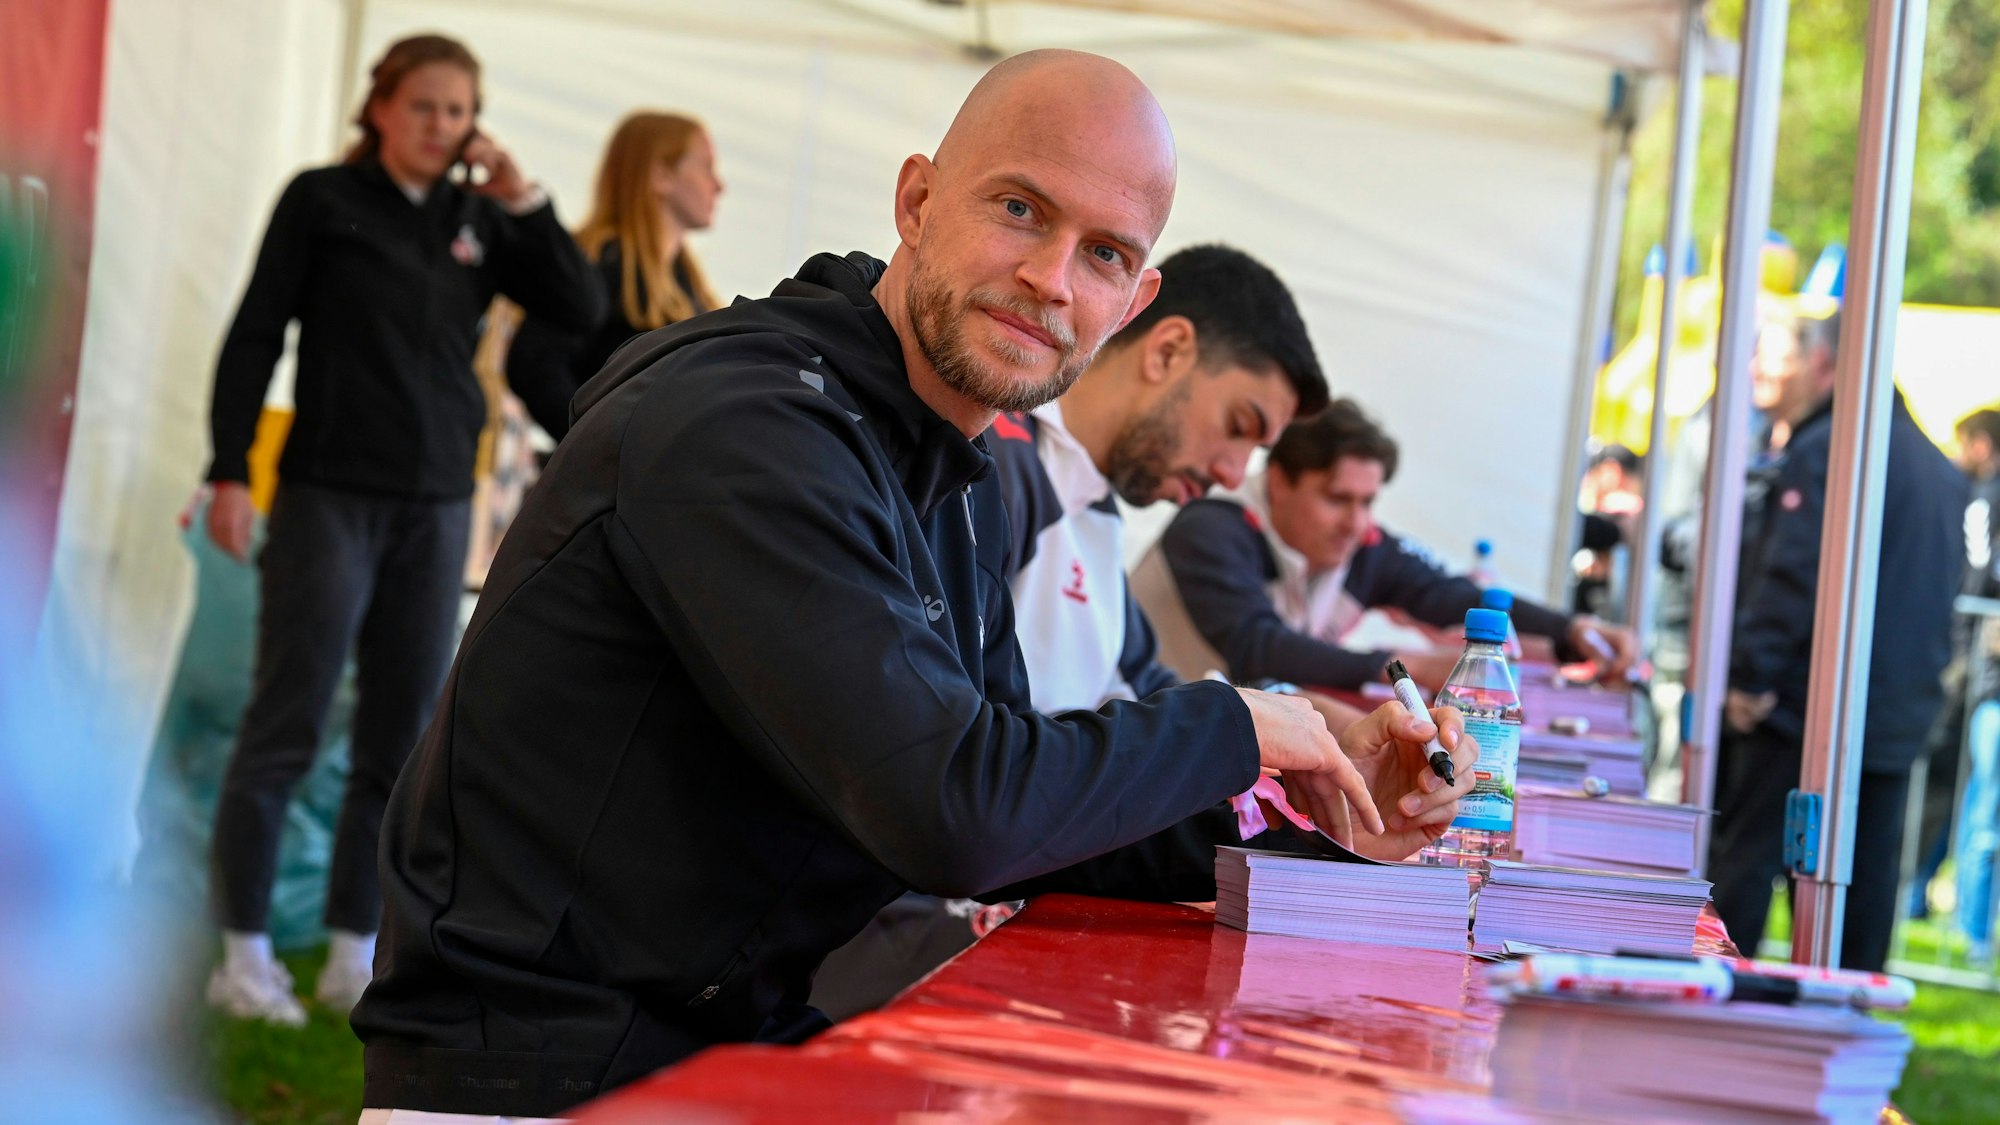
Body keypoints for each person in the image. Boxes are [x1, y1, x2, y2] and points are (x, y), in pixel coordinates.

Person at [352, 50, 1476, 1122]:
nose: (1049, 280)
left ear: (1131, 300)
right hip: (533, 1083)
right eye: (1020, 209)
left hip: (722, 1055)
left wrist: (1321, 815)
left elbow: (1036, 807)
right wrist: (1238, 720)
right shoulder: (745, 423)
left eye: (1101, 254)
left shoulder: (954, 466)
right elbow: (954, 811)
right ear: (917, 202)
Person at [809, 244, 1342, 1021]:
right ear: (1167, 350)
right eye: (1239, 427)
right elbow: (957, 789)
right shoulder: (991, 470)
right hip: (911, 939)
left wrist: (1318, 765)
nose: (1234, 473)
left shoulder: (1093, 508)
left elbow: (1155, 703)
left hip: (1009, 898)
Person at [201, 34, 603, 1026]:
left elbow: (579, 302)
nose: (441, 125)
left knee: (399, 738)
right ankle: (241, 955)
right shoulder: (320, 200)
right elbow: (256, 332)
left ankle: (353, 952)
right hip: (327, 497)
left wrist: (522, 197)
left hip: (434, 507)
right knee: (287, 720)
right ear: (379, 107)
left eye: (458, 110)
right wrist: (228, 468)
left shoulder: (480, 220)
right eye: (424, 105)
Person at [1707, 311, 1965, 972]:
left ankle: (1716, 1006)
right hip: (1888, 712)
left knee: (1745, 868)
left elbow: (1794, 576)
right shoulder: (1934, 465)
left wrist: (1751, 677)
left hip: (1809, 707)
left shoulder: (1834, 448)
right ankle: (1846, 1012)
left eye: (1777, 356)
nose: (1761, 370)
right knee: (1861, 890)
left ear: (1823, 363)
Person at [1131, 399, 1638, 691]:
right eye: (1337, 499)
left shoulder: (1359, 542)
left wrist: (1571, 631)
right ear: (1278, 482)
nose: (1356, 524)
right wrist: (1404, 668)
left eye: (1368, 501)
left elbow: (1448, 596)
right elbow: (1259, 649)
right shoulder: (1209, 528)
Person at [506, 111, 724, 440]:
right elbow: (534, 364)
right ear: (661, 175)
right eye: (706, 167)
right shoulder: (600, 264)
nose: (719, 186)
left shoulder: (686, 283)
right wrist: (596, 448)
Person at [1906, 406, 2000, 961]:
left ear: (1981, 445)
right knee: (1966, 796)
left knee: (1965, 795)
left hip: (1969, 668)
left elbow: (1976, 577)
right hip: (1974, 672)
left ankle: (1932, 903)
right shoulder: (1978, 497)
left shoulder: (1984, 495)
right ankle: (1936, 906)